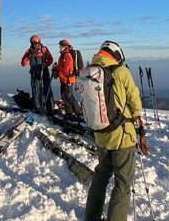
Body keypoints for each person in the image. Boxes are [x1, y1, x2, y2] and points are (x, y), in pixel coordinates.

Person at [85, 40, 148, 221]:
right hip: (122, 135)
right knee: (123, 182)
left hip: (100, 134)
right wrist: (137, 117)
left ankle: (92, 215)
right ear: (117, 55)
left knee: (101, 175)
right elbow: (134, 100)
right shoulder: (121, 71)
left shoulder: (90, 71)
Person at [21, 35, 54, 113]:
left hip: (44, 71)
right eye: (33, 43)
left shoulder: (44, 49)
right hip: (35, 73)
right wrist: (27, 57)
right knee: (36, 90)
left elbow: (50, 60)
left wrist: (45, 65)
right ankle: (38, 108)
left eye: (35, 42)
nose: (34, 44)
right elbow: (23, 63)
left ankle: (50, 108)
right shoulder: (29, 51)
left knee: (47, 89)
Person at [52, 39, 82, 118]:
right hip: (64, 79)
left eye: (61, 46)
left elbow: (65, 69)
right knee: (64, 96)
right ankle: (70, 113)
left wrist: (56, 67)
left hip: (68, 79)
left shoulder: (66, 55)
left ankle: (78, 113)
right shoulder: (63, 55)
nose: (60, 47)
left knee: (69, 96)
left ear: (65, 47)